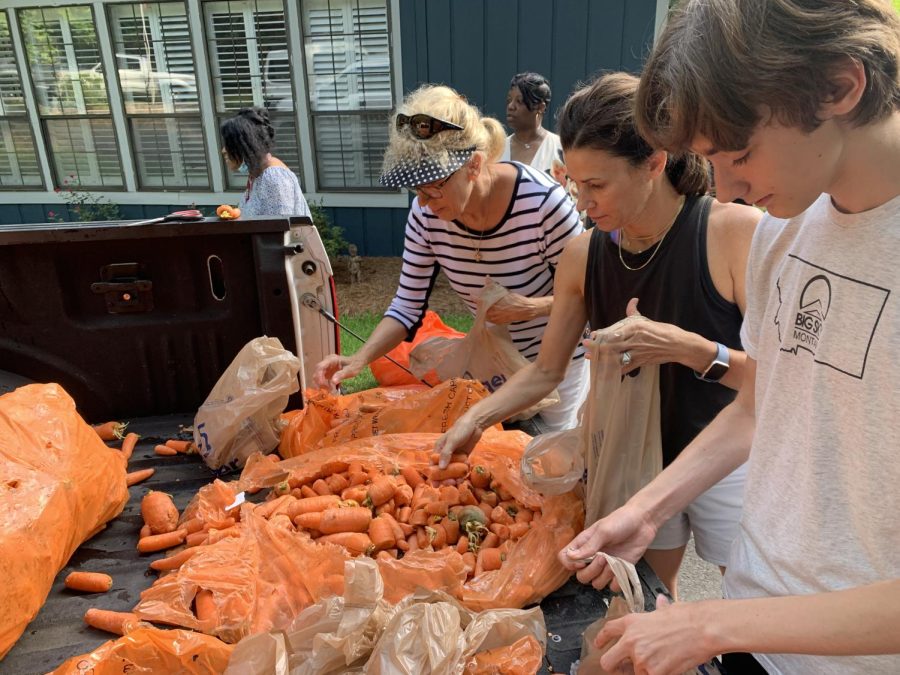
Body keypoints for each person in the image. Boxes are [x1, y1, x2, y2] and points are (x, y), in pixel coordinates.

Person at [559, 1, 900, 673]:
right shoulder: (783, 231)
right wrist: (647, 508)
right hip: (755, 626)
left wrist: (708, 621)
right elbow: (759, 403)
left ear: (839, 86)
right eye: (709, 160)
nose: (727, 187)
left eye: (739, 154)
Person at [436, 72, 762, 597]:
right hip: (637, 458)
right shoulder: (583, 255)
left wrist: (688, 348)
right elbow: (546, 371)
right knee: (652, 594)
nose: (582, 204)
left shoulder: (731, 233)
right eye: (574, 183)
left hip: (731, 456)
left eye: (597, 185)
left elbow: (779, 383)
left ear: (655, 163)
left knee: (749, 601)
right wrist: (476, 417)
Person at [313, 84, 588, 432]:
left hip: (558, 362)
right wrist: (360, 357)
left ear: (473, 165)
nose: (424, 203)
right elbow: (407, 305)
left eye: (433, 189)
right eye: (416, 191)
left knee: (548, 460)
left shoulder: (542, 204)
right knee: (493, 459)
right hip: (493, 363)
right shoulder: (426, 216)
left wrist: (530, 308)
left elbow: (591, 290)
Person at [220, 107, 310, 218]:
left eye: (229, 144)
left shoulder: (274, 178)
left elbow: (279, 230)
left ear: (246, 146)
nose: (223, 150)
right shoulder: (257, 176)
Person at [500, 72, 564, 177]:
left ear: (540, 107)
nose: (511, 106)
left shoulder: (560, 149)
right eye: (509, 100)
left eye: (519, 101)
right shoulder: (497, 149)